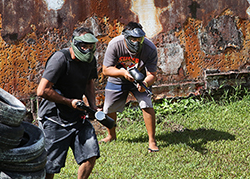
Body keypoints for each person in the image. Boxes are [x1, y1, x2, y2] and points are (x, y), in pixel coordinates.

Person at [37, 27, 100, 179]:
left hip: (77, 115)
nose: (87, 50)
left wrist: (93, 106)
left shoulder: (90, 60)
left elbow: (88, 83)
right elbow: (42, 90)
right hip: (54, 118)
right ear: (74, 43)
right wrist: (68, 102)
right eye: (84, 46)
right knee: (50, 166)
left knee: (91, 155)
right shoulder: (60, 59)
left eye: (90, 47)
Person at [101, 21, 159, 152]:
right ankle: (111, 135)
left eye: (139, 39)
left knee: (146, 104)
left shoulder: (150, 48)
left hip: (140, 78)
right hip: (118, 77)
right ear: (126, 37)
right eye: (133, 39)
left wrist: (145, 83)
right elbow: (106, 70)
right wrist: (122, 72)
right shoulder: (115, 44)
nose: (136, 42)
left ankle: (152, 141)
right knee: (109, 107)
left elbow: (152, 75)